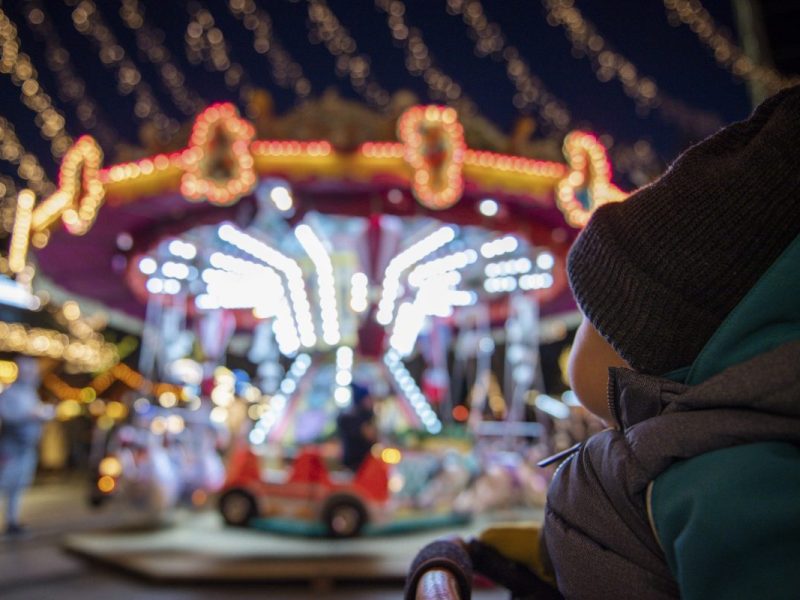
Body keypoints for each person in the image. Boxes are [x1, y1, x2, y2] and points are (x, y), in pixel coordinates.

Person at [406, 84, 800, 599]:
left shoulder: (730, 488)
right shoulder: (673, 455)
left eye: (594, 314)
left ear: (656, 345)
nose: (578, 338)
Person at [0, 356, 51, 536]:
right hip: (10, 448)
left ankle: (12, 521)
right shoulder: (10, 393)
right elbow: (7, 415)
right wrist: (29, 415)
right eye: (28, 370)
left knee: (18, 486)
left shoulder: (31, 393)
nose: (31, 374)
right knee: (4, 483)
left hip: (27, 448)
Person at [336, 382, 377, 472]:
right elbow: (370, 436)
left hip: (364, 465)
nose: (372, 401)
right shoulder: (351, 419)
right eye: (368, 398)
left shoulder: (366, 417)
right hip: (355, 466)